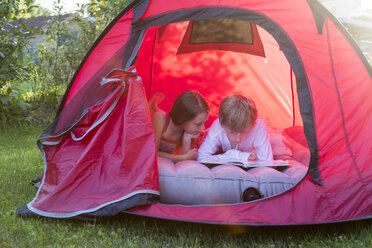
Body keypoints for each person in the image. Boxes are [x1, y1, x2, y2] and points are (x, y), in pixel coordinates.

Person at [197, 95, 272, 201]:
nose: (238, 138)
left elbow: (267, 162)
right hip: (241, 154)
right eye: (232, 132)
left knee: (276, 139)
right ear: (222, 124)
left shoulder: (258, 126)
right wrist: (236, 155)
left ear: (252, 125)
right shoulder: (218, 126)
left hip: (259, 134)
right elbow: (201, 157)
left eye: (244, 132)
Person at [150, 90, 209, 163]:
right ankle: (152, 106)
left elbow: (185, 163)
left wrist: (186, 139)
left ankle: (154, 106)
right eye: (198, 124)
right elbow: (152, 153)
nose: (203, 128)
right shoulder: (160, 119)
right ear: (182, 119)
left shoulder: (190, 132)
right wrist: (184, 157)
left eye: (204, 123)